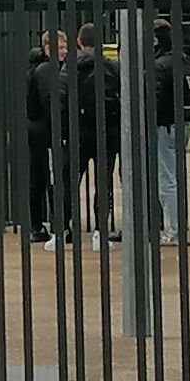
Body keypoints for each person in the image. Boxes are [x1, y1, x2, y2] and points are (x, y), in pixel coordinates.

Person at [68, 24, 122, 246]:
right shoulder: (112, 67)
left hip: (79, 130)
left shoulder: (71, 67)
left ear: (79, 42)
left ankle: (67, 227)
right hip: (107, 130)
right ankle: (101, 230)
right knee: (104, 181)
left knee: (70, 181)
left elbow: (63, 96)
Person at [24, 32, 67, 244]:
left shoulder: (37, 68)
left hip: (36, 129)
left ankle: (37, 225)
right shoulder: (47, 70)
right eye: (60, 48)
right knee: (50, 178)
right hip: (46, 131)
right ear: (48, 49)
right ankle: (56, 226)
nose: (64, 51)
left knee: (38, 178)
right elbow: (51, 102)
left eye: (65, 47)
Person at [150, 18, 181, 244]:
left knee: (167, 179)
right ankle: (177, 224)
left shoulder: (159, 64)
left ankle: (174, 230)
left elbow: (156, 101)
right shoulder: (181, 58)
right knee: (176, 177)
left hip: (165, 125)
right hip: (182, 123)